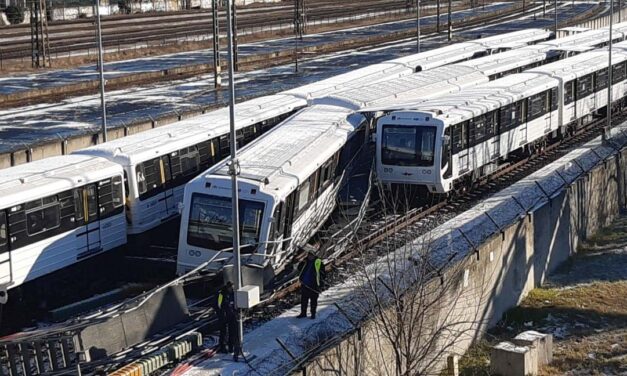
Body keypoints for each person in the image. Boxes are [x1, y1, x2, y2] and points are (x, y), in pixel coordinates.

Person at [297, 249, 325, 319]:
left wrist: (320, 284)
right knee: (304, 300)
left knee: (313, 301)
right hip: (305, 284)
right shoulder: (305, 261)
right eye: (309, 255)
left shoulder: (318, 262)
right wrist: (302, 262)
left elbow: (323, 274)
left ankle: (313, 314)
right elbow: (299, 268)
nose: (310, 256)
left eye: (311, 255)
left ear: (314, 255)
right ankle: (303, 313)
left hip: (314, 285)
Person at [216, 281, 238, 358]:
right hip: (224, 315)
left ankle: (231, 347)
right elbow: (219, 305)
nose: (232, 289)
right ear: (228, 287)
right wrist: (222, 313)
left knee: (232, 331)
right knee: (223, 331)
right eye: (231, 288)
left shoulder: (233, 293)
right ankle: (223, 346)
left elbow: (235, 303)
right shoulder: (221, 294)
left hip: (231, 314)